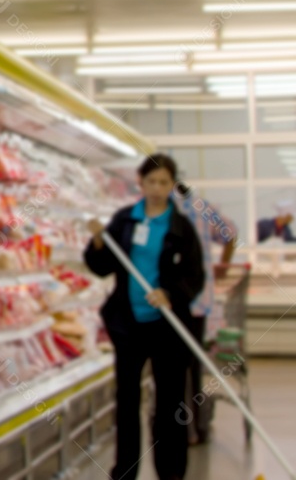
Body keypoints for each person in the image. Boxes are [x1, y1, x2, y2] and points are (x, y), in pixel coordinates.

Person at [84, 154, 204, 480]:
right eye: (151, 181)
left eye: (164, 182)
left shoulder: (181, 227)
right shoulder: (125, 220)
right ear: (140, 182)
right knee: (127, 400)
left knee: (169, 403)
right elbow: (102, 266)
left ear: (172, 186)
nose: (156, 188)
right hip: (128, 324)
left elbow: (195, 275)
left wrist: (170, 293)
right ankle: (125, 470)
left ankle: (170, 471)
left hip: (167, 326)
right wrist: (97, 240)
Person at [172, 181, 237, 445]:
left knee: (175, 366)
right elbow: (231, 234)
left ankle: (182, 428)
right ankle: (194, 426)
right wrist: (224, 265)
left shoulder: (166, 210)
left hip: (174, 299)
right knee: (193, 365)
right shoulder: (205, 208)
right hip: (200, 299)